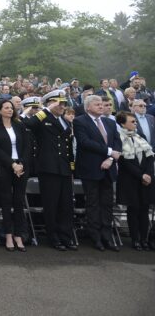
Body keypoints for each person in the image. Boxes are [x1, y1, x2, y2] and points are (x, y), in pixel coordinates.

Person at [25, 90, 77, 250]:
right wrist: (46, 110)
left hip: (64, 168)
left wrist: (71, 165)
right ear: (50, 103)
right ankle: (53, 238)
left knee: (66, 205)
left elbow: (68, 145)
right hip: (48, 168)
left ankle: (66, 237)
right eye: (59, 103)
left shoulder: (64, 121)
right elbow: (28, 124)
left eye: (64, 103)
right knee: (51, 205)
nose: (62, 106)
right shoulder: (43, 119)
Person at [74, 94, 123, 251]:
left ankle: (107, 237)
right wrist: (109, 151)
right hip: (91, 169)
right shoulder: (80, 121)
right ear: (88, 107)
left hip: (108, 169)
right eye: (97, 104)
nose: (101, 106)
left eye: (102, 104)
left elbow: (117, 142)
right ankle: (95, 237)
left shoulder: (109, 122)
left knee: (107, 205)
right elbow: (85, 142)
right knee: (93, 204)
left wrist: (110, 159)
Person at [0, 100, 30, 251]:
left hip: (21, 167)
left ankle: (19, 235)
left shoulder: (19, 125)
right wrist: (12, 164)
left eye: (11, 108)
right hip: (4, 167)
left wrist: (20, 163)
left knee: (19, 201)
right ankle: (8, 235)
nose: (10, 110)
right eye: (7, 108)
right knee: (6, 201)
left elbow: (26, 146)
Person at [115, 111, 153, 250]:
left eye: (136, 121)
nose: (135, 124)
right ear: (123, 123)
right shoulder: (119, 137)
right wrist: (140, 175)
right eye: (132, 122)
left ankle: (144, 239)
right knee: (134, 209)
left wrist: (148, 174)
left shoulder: (140, 136)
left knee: (144, 209)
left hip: (146, 179)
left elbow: (149, 156)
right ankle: (135, 239)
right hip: (130, 179)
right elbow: (124, 161)